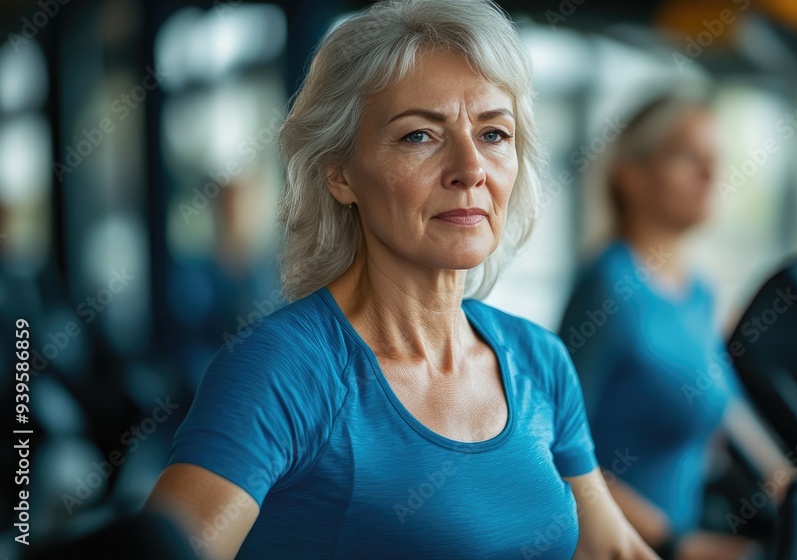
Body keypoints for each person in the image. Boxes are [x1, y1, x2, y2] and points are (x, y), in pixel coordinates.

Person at [143, 1, 659, 559]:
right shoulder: (285, 370)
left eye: (494, 134)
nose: (470, 168)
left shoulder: (541, 362)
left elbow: (612, 553)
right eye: (419, 136)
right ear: (339, 173)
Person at [559, 95, 787, 559]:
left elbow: (721, 417)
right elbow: (554, 446)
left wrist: (788, 485)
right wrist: (672, 543)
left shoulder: (700, 294)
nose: (710, 175)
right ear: (632, 176)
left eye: (714, 160)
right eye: (687, 156)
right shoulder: (609, 285)